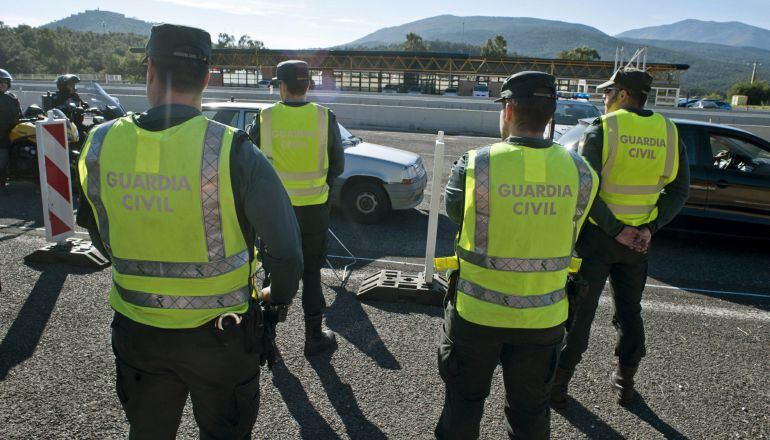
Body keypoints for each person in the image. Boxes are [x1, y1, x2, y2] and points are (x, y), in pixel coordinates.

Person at [76, 24, 303, 439]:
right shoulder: (234, 151)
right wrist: (278, 295)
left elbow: (97, 232)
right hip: (222, 338)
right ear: (205, 78)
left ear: (149, 71)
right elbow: (286, 252)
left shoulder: (99, 144)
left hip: (137, 332)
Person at [435, 71, 599, 439]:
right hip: (543, 318)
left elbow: (454, 213)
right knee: (530, 413)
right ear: (552, 113)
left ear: (508, 109)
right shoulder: (582, 173)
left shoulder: (476, 164)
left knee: (463, 405)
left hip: (476, 314)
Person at [551, 67, 689, 408]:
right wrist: (646, 229)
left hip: (598, 239)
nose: (604, 97)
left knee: (580, 313)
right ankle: (625, 382)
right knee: (630, 312)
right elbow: (678, 190)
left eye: (609, 92)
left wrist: (617, 230)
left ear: (624, 94)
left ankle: (558, 385)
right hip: (638, 244)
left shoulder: (604, 128)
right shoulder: (669, 131)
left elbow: (587, 189)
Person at [247, 60, 345, 357]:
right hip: (314, 210)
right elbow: (337, 166)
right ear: (308, 86)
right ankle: (314, 337)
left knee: (274, 272)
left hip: (275, 213)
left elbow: (249, 166)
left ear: (283, 86)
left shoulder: (265, 118)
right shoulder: (325, 118)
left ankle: (268, 337)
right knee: (312, 274)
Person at [0, 69, 22, 188]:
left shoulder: (12, 97)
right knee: (2, 159)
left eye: (5, 82)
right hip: (2, 137)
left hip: (14, 133)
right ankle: (1, 185)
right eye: (0, 82)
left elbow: (20, 115)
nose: (2, 84)